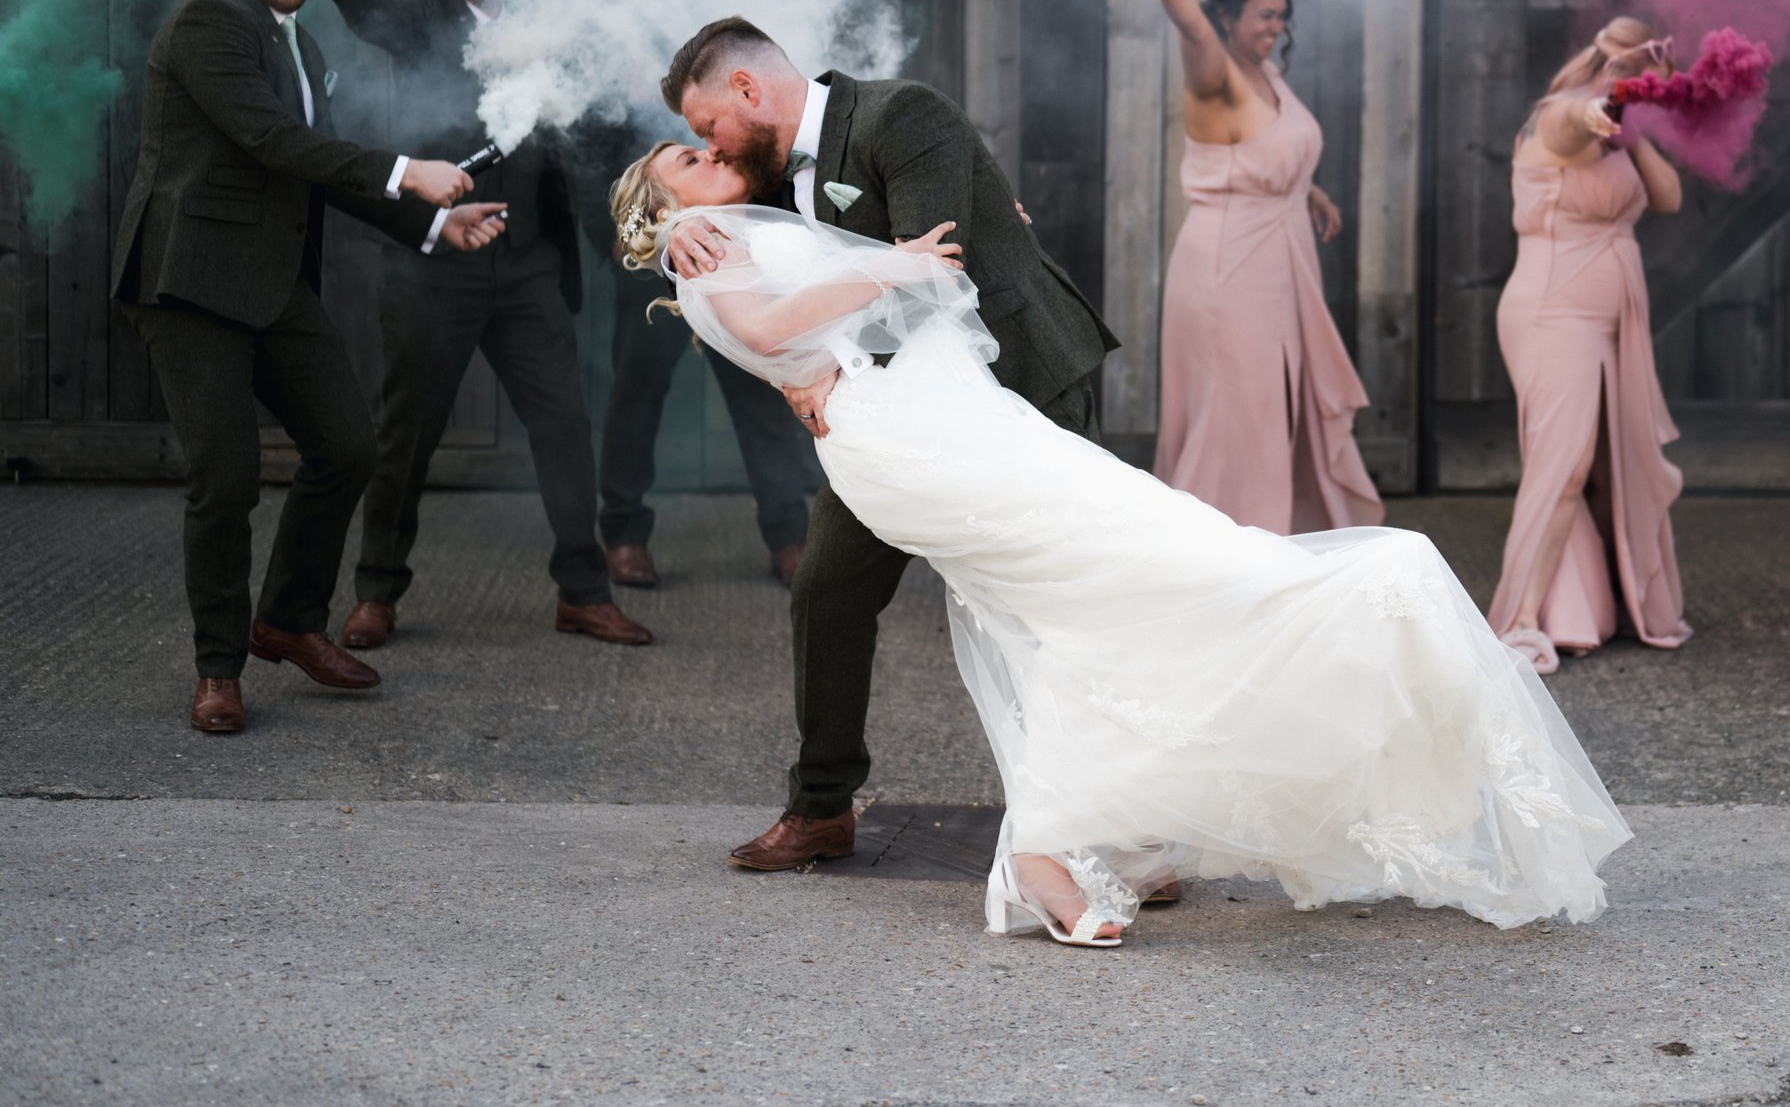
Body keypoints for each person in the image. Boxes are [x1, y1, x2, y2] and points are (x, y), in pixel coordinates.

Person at [611, 145, 1629, 943]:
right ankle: (1053, 851)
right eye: (682, 166)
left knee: (1113, 593)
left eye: (696, 149)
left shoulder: (749, 217)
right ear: (669, 214)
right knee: (1112, 586)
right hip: (911, 439)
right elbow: (771, 313)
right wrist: (893, 263)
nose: (702, 157)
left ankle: (1104, 834)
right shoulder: (704, 246)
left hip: (938, 416)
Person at [657, 17, 1121, 872]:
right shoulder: (766, 178)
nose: (707, 147)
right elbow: (744, 265)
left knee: (1058, 605)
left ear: (749, 94)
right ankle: (822, 808)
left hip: (1020, 385)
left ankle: (1108, 828)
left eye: (705, 128)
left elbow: (936, 276)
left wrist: (827, 374)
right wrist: (668, 235)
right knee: (826, 588)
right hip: (901, 418)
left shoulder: (898, 115)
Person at [112, 0, 504, 733]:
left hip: (271, 282)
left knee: (348, 446)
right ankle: (218, 667)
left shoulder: (304, 43)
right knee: (227, 477)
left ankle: (287, 619)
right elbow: (272, 141)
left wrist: (434, 226)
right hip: (191, 282)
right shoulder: (210, 22)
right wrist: (409, 169)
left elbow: (320, 165)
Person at [320, 0, 650, 649]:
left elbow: (594, 121)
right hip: (435, 262)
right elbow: (375, 18)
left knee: (565, 426)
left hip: (530, 266)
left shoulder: (549, 21)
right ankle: (377, 591)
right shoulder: (424, 7)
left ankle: (584, 592)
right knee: (406, 434)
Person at [586, 0, 819, 589]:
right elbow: (589, 174)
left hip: (741, 235)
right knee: (638, 389)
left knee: (759, 386)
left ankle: (788, 532)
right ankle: (623, 532)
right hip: (649, 255)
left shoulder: (719, 27)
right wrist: (663, 245)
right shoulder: (594, 30)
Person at [1125, 0, 1381, 534]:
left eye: (1282, 17)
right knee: (1239, 411)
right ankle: (1215, 555)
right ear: (1226, 15)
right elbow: (1191, 30)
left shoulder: (1267, 73)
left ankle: (1271, 545)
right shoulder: (1214, 73)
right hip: (1229, 267)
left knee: (1272, 409)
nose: (1276, 27)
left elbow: (1262, 148)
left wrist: (1305, 189)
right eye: (1265, 15)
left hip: (1278, 261)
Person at [1484, 17, 1692, 674]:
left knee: (1607, 463)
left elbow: (1668, 198)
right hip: (1553, 311)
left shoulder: (1627, 138)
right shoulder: (1557, 116)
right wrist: (1604, 108)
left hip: (1608, 320)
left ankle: (1590, 606)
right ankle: (1518, 619)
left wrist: (1639, 131)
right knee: (1564, 463)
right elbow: (1576, 118)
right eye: (1645, 87)